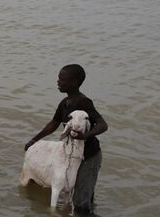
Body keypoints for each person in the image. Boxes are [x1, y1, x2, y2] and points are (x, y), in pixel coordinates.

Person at [24, 64, 108, 213]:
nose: (58, 82)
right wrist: (33, 140)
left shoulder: (83, 102)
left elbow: (103, 125)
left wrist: (85, 136)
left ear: (74, 82)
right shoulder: (65, 103)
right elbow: (53, 124)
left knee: (81, 203)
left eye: (62, 79)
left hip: (88, 156)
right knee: (77, 196)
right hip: (72, 155)